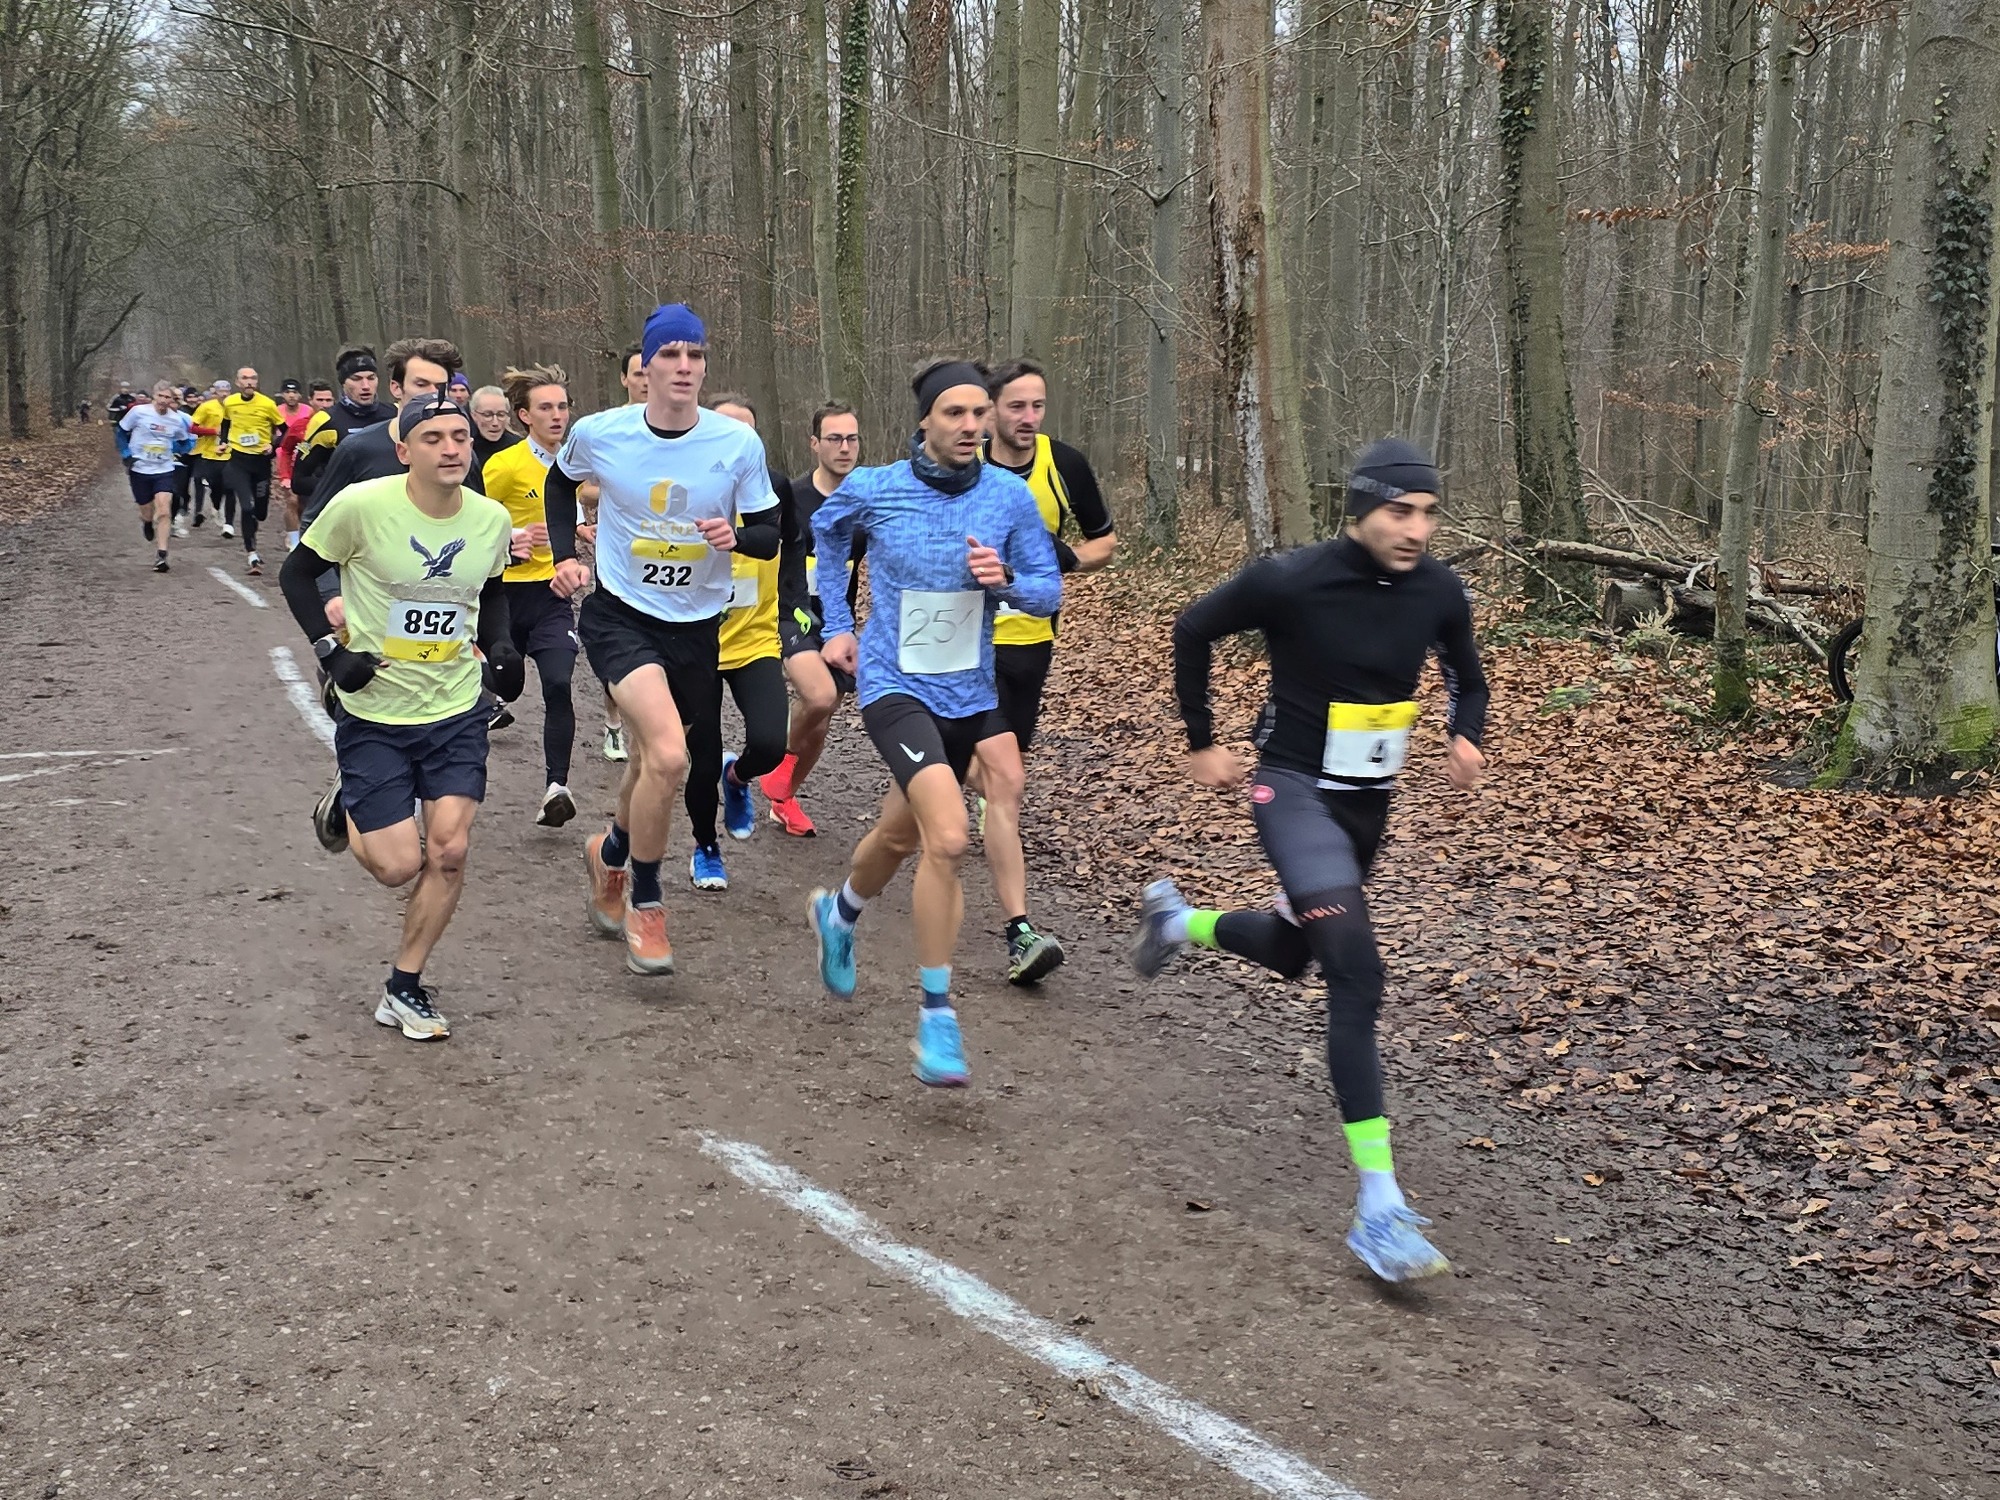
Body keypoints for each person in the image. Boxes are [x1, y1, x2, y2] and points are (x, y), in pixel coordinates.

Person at [1126, 437, 1488, 1283]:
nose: (1417, 529)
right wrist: (1201, 741)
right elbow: (1192, 627)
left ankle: (1177, 922)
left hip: (1367, 807)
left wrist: (1465, 734)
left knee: (1296, 951)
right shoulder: (1289, 579)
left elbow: (1467, 677)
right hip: (1291, 792)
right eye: (1400, 512)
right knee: (1356, 972)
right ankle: (1379, 1208)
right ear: (1360, 509)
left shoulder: (1438, 589)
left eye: (1429, 514)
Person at [806, 359, 1060, 1089]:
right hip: (894, 685)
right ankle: (937, 1017)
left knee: (898, 834)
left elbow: (1047, 590)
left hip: (971, 691)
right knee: (948, 836)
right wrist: (836, 624)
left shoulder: (1008, 497)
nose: (971, 426)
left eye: (980, 413)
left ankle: (839, 914)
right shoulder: (876, 487)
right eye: (954, 413)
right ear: (924, 420)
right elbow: (825, 536)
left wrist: (1007, 583)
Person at [544, 304, 782, 976]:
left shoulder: (736, 444)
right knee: (672, 757)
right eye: (670, 354)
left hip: (697, 628)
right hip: (621, 616)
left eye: (695, 355)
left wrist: (739, 537)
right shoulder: (602, 433)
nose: (684, 366)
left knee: (650, 762)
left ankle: (611, 853)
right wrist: (564, 555)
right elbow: (559, 485)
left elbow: (770, 533)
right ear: (644, 368)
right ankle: (646, 903)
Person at [278, 393, 522, 1042]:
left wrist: (501, 646)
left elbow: (492, 588)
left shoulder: (490, 519)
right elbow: (297, 575)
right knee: (396, 867)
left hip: (455, 708)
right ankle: (349, 800)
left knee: (449, 851)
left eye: (460, 438)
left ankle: (404, 986)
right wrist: (331, 653)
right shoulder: (362, 506)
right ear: (403, 449)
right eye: (434, 438)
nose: (451, 449)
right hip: (376, 710)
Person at [966, 359, 1120, 983]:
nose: (1028, 418)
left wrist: (1066, 561)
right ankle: (1019, 930)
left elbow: (1105, 540)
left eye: (1038, 406)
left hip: (1032, 637)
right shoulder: (964, 463)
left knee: (1004, 768)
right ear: (991, 410)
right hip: (967, 642)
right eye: (1016, 407)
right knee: (1003, 779)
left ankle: (960, 791)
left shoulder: (1065, 464)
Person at [682, 393, 796, 889]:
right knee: (701, 759)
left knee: (771, 744)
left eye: (746, 431)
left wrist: (795, 607)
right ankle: (706, 848)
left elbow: (792, 546)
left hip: (755, 638)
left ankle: (740, 777)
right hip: (695, 644)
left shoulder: (774, 489)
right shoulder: (682, 486)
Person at [479, 363, 582, 826]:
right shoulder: (503, 466)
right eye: (546, 408)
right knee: (508, 686)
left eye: (562, 406)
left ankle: (556, 788)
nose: (557, 415)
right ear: (524, 416)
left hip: (551, 597)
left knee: (559, 684)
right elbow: (471, 521)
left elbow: (573, 510)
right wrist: (511, 538)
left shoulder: (574, 463)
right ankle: (476, 684)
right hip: (502, 598)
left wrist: (583, 535)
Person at [760, 400, 865, 837]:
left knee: (822, 717)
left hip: (836, 620)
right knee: (819, 697)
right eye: (835, 439)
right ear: (814, 444)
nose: (845, 447)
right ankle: (772, 764)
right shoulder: (792, 496)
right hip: (789, 611)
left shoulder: (866, 500)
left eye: (852, 439)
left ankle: (783, 798)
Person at [583, 342, 650, 764]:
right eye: (638, 373)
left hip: (669, 553)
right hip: (618, 552)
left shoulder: (683, 427)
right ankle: (613, 724)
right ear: (624, 378)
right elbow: (582, 489)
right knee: (620, 642)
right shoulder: (606, 430)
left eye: (651, 372)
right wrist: (619, 489)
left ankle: (651, 727)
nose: (646, 381)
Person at [291, 345, 399, 511]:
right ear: (343, 383)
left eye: (371, 378)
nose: (365, 385)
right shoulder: (326, 420)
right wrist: (344, 490)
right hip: (351, 512)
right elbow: (299, 481)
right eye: (356, 379)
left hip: (392, 507)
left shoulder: (396, 412)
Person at [117, 382, 194, 573]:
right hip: (140, 468)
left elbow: (185, 442)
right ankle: (147, 522)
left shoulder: (176, 420)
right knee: (146, 510)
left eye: (168, 398)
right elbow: (121, 432)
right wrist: (126, 454)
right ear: (154, 395)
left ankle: (161, 555)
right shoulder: (138, 412)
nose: (163, 400)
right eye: (160, 396)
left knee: (164, 510)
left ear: (172, 400)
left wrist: (179, 450)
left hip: (163, 469)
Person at [221, 366, 285, 574]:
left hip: (261, 463)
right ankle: (252, 554)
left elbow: (285, 431)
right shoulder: (230, 402)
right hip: (238, 461)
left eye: (253, 378)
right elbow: (225, 423)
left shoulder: (267, 404)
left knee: (260, 512)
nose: (249, 382)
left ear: (257, 382)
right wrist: (223, 442)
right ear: (237, 382)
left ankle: (253, 524)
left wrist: (273, 446)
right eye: (245, 378)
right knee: (247, 507)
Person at [187, 380, 234, 532]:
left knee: (228, 485)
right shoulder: (206, 407)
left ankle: (223, 514)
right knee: (214, 485)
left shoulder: (235, 406)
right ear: (215, 392)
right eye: (221, 391)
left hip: (230, 452)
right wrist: (213, 431)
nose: (224, 394)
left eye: (227, 391)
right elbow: (192, 428)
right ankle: (215, 505)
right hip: (209, 452)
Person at [274, 378, 314, 550]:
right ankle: (293, 539)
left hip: (306, 460)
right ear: (282, 395)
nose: (291, 396)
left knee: (304, 505)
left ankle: (302, 532)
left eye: (294, 392)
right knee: (292, 500)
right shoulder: (277, 411)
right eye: (288, 392)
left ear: (300, 395)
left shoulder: (309, 411)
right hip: (284, 457)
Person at [468, 384, 521, 487]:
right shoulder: (466, 448)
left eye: (501, 414)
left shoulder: (518, 447)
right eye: (487, 415)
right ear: (474, 415)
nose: (495, 423)